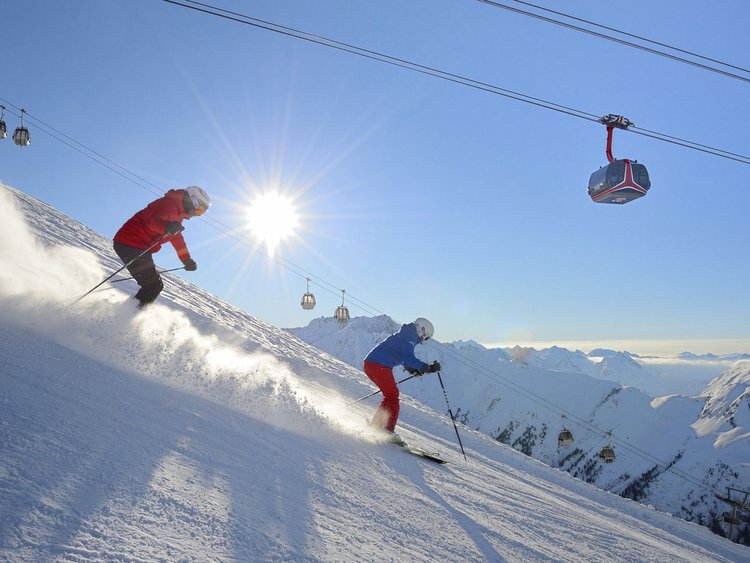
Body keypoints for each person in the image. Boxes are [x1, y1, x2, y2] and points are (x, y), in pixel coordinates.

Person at [113, 186, 210, 308]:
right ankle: (127, 315)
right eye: (200, 210)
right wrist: (166, 228)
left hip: (139, 247)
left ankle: (128, 313)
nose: (198, 214)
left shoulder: (178, 214)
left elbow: (177, 238)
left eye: (202, 212)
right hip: (129, 242)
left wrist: (186, 259)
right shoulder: (168, 205)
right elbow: (151, 221)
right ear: (193, 201)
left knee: (154, 286)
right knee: (153, 286)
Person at [363, 317, 441, 443]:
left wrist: (412, 370)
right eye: (426, 337)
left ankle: (377, 425)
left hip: (373, 364)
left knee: (390, 396)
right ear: (421, 330)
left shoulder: (408, 335)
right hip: (378, 365)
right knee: (393, 396)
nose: (424, 340)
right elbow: (407, 358)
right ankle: (386, 431)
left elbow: (402, 355)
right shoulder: (409, 336)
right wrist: (427, 367)